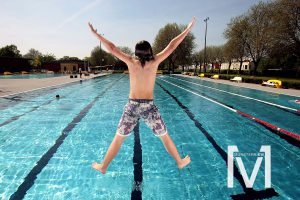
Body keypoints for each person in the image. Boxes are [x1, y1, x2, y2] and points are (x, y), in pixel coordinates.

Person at [88, 17, 196, 174]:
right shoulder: (155, 61)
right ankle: (179, 162)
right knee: (164, 136)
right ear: (150, 51)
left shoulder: (131, 62)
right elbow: (172, 45)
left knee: (118, 138)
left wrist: (96, 35)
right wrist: (187, 30)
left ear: (136, 51)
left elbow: (112, 48)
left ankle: (103, 166)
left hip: (132, 107)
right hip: (149, 107)